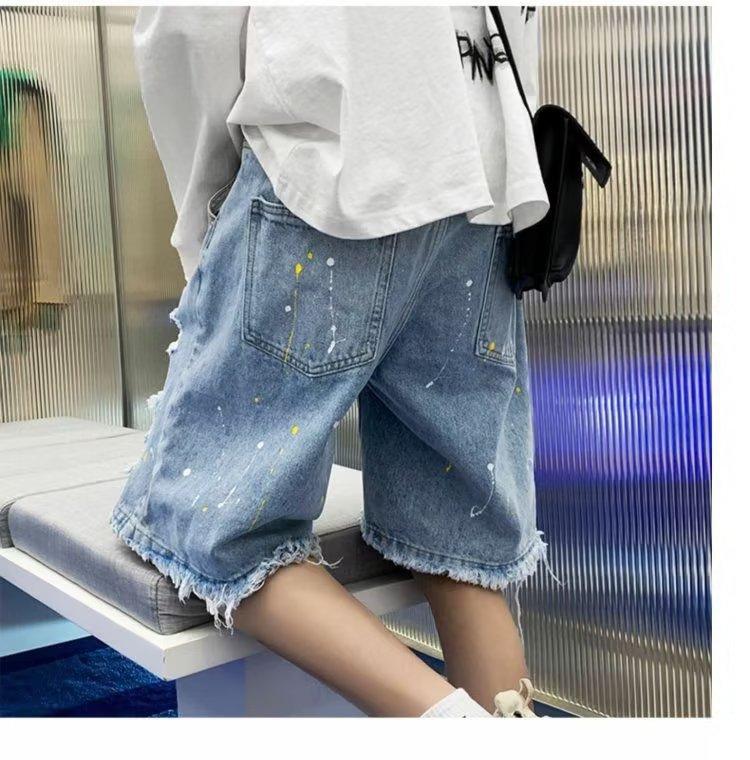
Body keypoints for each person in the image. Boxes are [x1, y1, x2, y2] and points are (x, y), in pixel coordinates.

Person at [112, 5, 550, 718]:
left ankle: (452, 728)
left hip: (328, 167)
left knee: (219, 524)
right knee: (459, 526)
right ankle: (510, 724)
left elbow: (187, 30)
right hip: (482, 191)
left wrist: (205, 219)